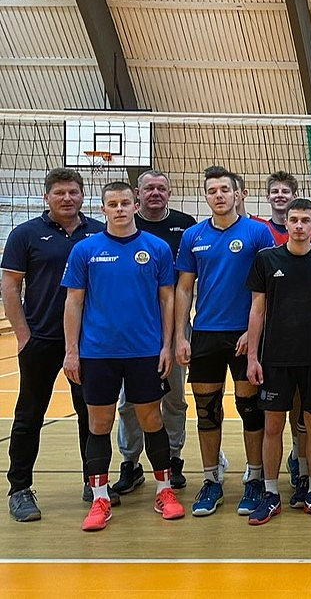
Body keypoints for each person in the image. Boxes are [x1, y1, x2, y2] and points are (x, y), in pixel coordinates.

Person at [62, 181, 179, 531]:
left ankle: (164, 490)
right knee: (99, 424)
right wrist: (72, 351)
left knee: (152, 420)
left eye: (125, 203)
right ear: (103, 209)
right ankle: (99, 498)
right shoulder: (85, 250)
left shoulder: (156, 248)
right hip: (98, 353)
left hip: (145, 351)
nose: (119, 209)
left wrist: (167, 345)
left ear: (135, 205)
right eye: (112, 204)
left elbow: (167, 299)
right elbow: (74, 302)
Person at [4, 168, 106, 521]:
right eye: (60, 192)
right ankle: (19, 489)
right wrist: (23, 335)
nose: (67, 198)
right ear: (47, 197)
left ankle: (93, 482)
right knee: (29, 415)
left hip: (88, 342)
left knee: (90, 415)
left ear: (82, 196)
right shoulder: (25, 234)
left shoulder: (99, 232)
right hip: (42, 340)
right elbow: (10, 286)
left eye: (73, 192)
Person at [175, 168, 277, 517]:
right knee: (207, 411)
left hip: (245, 332)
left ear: (238, 194)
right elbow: (184, 288)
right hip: (206, 333)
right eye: (212, 191)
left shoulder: (257, 232)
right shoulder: (193, 235)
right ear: (206, 196)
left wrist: (254, 332)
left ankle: (254, 478)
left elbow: (269, 286)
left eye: (224, 189)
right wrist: (181, 334)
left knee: (250, 409)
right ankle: (211, 480)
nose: (218, 195)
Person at [244, 198, 311, 525]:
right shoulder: (266, 259)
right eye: (294, 220)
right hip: (275, 357)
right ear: (285, 223)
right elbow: (257, 310)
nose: (299, 225)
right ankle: (271, 493)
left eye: (305, 220)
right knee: (273, 426)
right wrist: (252, 357)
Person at [115, 170, 197, 494]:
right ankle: (130, 462)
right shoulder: (125, 225)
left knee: (174, 397)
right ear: (138, 193)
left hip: (175, 324)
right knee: (128, 402)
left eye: (161, 188)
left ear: (169, 193)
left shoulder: (185, 224)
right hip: (133, 329)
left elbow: (189, 279)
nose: (155, 193)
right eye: (148, 188)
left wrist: (181, 332)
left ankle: (174, 459)